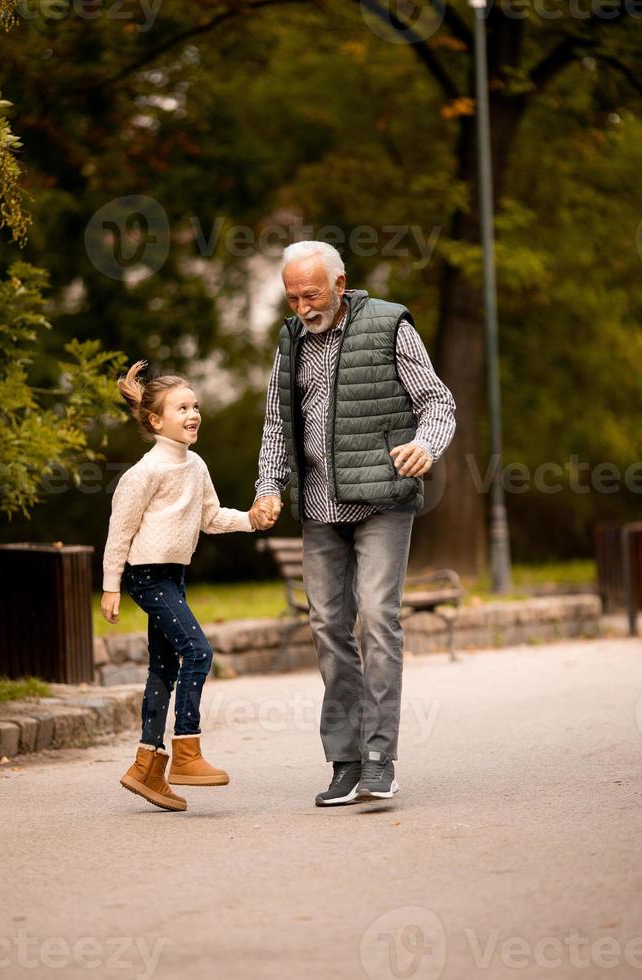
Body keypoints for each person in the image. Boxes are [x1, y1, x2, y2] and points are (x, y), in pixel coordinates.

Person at [250, 241, 456, 807]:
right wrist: (269, 486)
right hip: (319, 504)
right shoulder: (291, 339)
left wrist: (425, 445)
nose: (301, 306)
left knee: (378, 620)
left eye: (310, 294)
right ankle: (344, 759)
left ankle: (379, 757)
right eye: (292, 296)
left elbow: (437, 402)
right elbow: (276, 421)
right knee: (327, 629)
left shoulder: (390, 325)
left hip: (382, 499)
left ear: (340, 284)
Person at [101, 361, 259, 812]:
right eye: (181, 407)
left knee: (163, 668)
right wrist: (111, 586)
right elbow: (119, 534)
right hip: (147, 576)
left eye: (195, 405)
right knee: (198, 651)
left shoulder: (195, 466)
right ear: (156, 421)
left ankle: (146, 766)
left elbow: (210, 516)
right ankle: (186, 752)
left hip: (174, 575)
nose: (193, 414)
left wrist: (249, 519)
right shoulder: (144, 473)